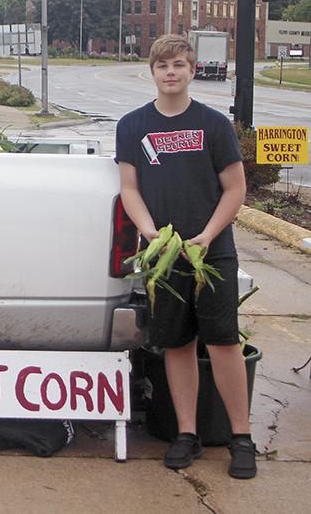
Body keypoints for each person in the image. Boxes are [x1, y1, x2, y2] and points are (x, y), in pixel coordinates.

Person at [115, 34, 255, 479]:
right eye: (163, 66)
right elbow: (129, 188)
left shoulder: (213, 125)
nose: (170, 72)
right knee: (175, 343)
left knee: (223, 341)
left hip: (213, 254)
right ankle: (187, 434)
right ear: (152, 73)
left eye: (178, 65)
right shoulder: (133, 126)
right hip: (166, 257)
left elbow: (236, 189)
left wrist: (207, 236)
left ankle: (241, 437)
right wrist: (148, 230)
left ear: (193, 70)